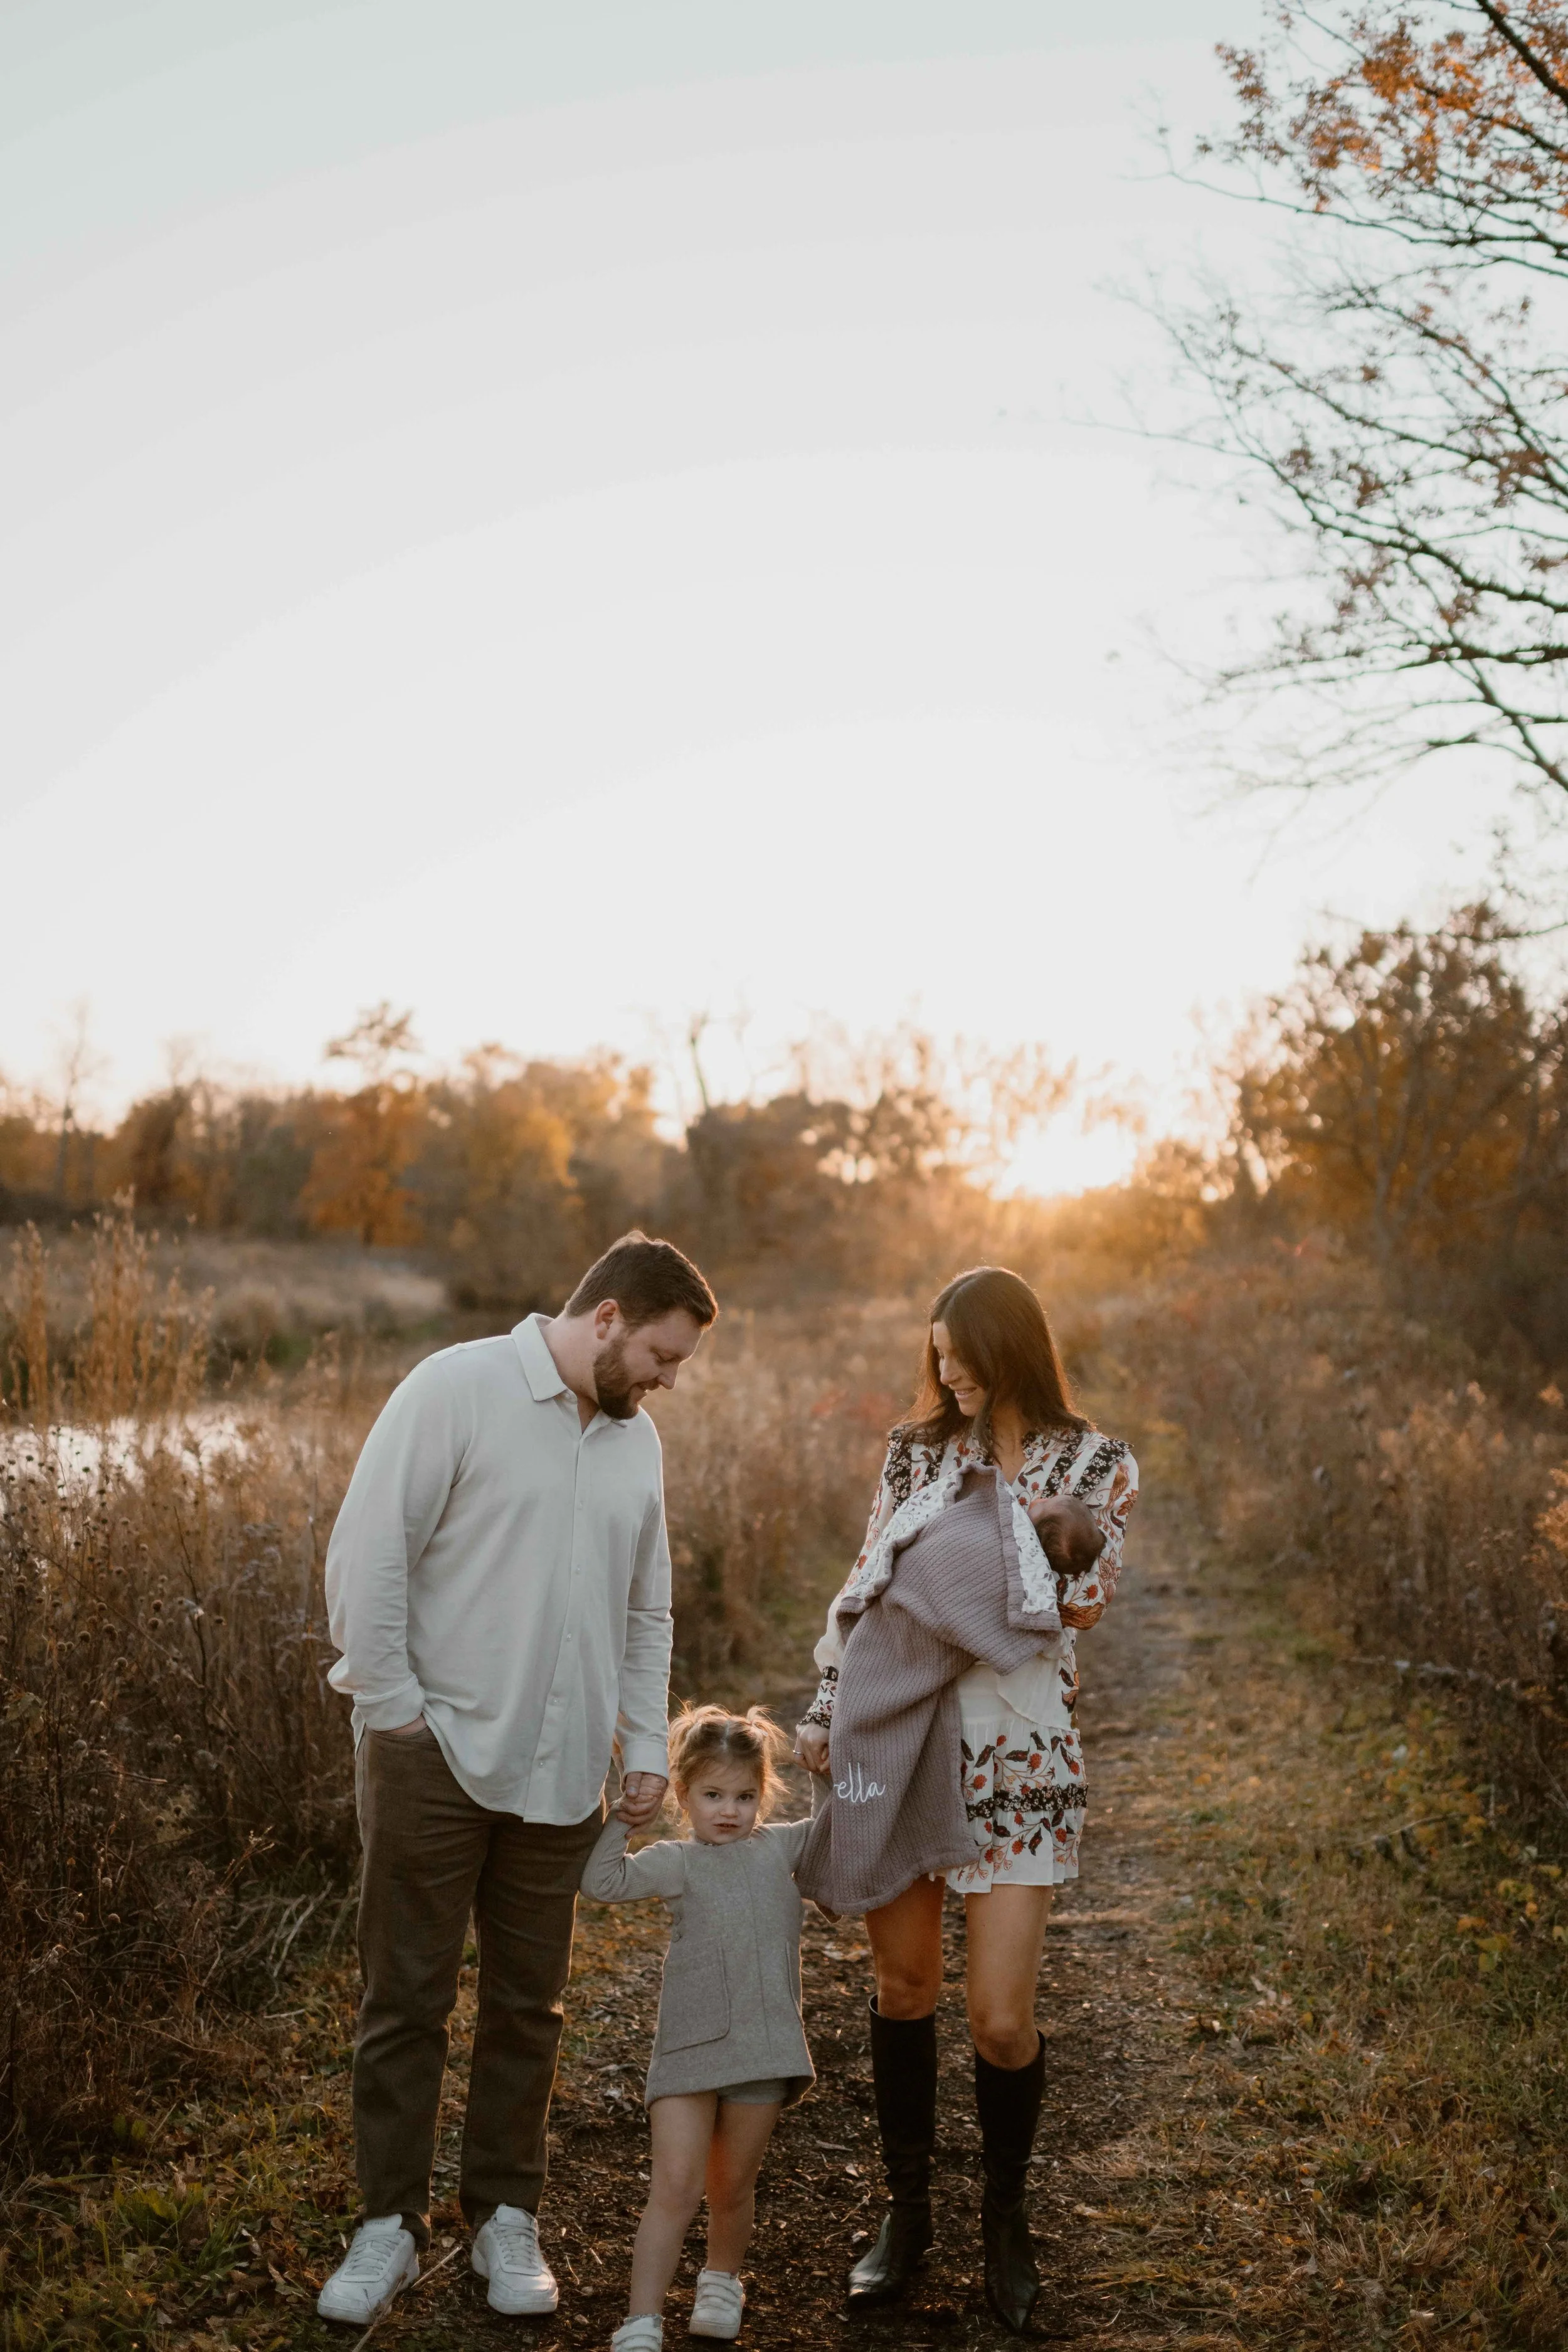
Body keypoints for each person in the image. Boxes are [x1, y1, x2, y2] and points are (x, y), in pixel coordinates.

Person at [315, 1233, 718, 2328]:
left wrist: (642, 1747)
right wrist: (394, 1713)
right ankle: (388, 2226)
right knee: (404, 1999)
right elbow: (371, 1558)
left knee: (528, 2009)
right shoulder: (456, 1389)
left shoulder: (637, 1444)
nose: (668, 1381)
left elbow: (647, 1610)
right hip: (433, 1753)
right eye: (661, 1356)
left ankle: (503, 2215)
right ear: (607, 1319)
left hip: (564, 1772)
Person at [793, 1266, 1137, 2335]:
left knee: (999, 2020)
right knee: (902, 1990)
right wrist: (823, 1709)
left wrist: (1052, 1518)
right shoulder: (912, 1453)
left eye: (963, 1353)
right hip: (903, 1736)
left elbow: (1081, 1604)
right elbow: (869, 1588)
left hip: (1020, 1751)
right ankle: (907, 2215)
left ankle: (1007, 2219)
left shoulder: (1099, 1460)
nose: (946, 1372)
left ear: (1013, 1346)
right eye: (934, 1354)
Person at [580, 1706, 815, 2351]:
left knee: (732, 2186)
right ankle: (641, 2318)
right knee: (676, 2186)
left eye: (744, 1796)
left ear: (763, 1795)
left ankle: (720, 2280)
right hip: (689, 2046)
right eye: (713, 1795)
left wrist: (822, 1772)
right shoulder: (676, 1861)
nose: (730, 1811)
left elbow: (840, 1830)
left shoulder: (781, 1846)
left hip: (764, 2048)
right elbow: (601, 1882)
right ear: (683, 1795)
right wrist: (623, 1819)